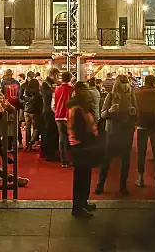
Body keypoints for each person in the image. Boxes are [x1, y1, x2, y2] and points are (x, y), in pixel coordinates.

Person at [96, 75, 137, 196]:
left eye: (126, 83)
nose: (125, 85)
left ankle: (123, 185)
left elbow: (137, 115)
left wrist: (133, 113)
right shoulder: (111, 96)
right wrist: (110, 111)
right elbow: (102, 114)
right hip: (113, 131)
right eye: (122, 83)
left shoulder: (131, 96)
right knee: (107, 159)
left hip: (126, 131)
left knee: (125, 160)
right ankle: (100, 183)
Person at [67, 81, 99, 219]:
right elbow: (80, 129)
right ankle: (78, 207)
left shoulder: (79, 106)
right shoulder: (77, 108)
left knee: (85, 176)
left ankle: (83, 203)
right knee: (81, 177)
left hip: (82, 144)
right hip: (81, 145)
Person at [134, 74, 155, 190]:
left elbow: (136, 107)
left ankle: (141, 178)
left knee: (141, 152)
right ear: (154, 82)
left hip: (142, 123)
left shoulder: (138, 93)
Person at [54, 71, 75, 168]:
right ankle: (73, 158)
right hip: (70, 115)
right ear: (70, 78)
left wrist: (56, 112)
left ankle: (64, 161)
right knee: (72, 136)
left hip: (58, 115)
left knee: (61, 138)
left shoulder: (57, 89)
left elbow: (53, 104)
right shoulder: (72, 89)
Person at [22, 78, 43, 151]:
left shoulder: (26, 91)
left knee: (27, 128)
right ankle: (31, 142)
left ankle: (27, 144)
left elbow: (23, 100)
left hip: (26, 111)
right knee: (36, 128)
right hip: (34, 112)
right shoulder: (38, 93)